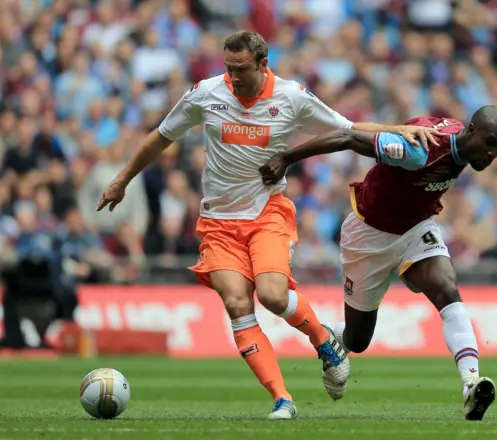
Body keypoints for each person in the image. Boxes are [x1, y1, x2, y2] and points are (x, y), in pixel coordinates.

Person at [96, 30, 441, 420]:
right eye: (228, 68)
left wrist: (397, 130)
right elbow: (161, 137)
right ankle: (282, 399)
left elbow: (346, 128)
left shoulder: (291, 97)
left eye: (241, 69)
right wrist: (122, 179)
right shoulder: (207, 94)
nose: (233, 77)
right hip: (218, 222)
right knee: (237, 304)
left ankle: (325, 340)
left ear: (263, 64)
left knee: (273, 295)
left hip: (267, 213)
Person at [260, 106, 497, 421]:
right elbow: (348, 137)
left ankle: (471, 384)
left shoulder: (458, 143)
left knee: (447, 288)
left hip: (416, 229)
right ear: (472, 130)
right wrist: (285, 159)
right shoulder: (419, 151)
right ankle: (333, 339)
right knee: (358, 340)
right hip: (368, 238)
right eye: (490, 142)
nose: (492, 153)